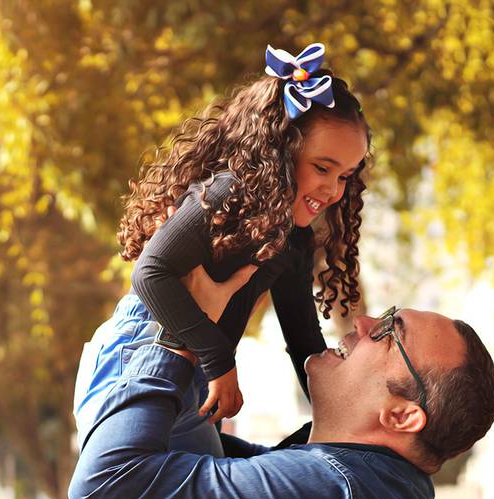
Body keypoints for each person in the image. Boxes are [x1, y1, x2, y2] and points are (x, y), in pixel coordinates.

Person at [73, 42, 370, 458]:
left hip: (193, 367)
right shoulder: (226, 195)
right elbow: (150, 274)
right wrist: (220, 364)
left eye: (346, 176)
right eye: (323, 168)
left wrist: (345, 410)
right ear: (281, 152)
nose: (333, 189)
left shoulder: (293, 238)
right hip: (140, 351)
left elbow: (303, 339)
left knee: (231, 476)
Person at [68, 265, 494, 499]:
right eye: (385, 315)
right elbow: (183, 462)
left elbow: (105, 485)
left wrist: (178, 329)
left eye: (390, 333)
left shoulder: (337, 492)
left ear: (402, 415)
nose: (366, 323)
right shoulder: (373, 487)